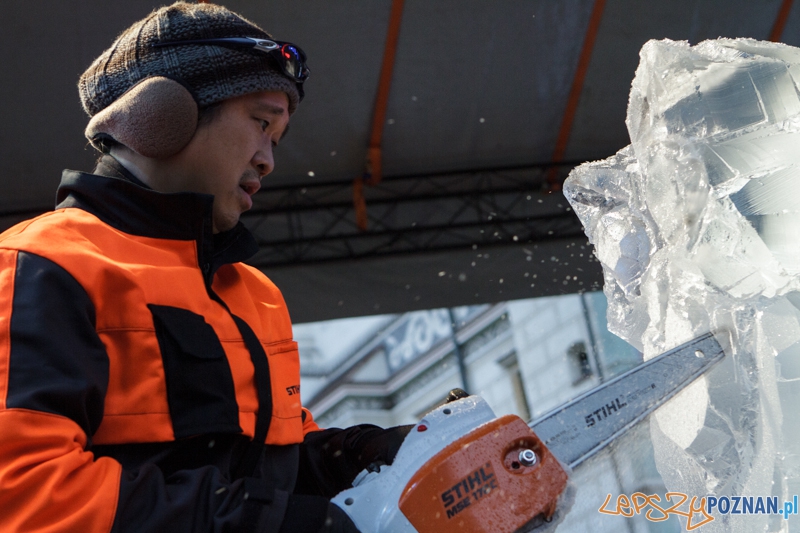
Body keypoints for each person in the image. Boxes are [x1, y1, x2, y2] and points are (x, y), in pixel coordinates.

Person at [0, 3, 410, 531]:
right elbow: (24, 493)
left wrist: (358, 454)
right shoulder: (40, 266)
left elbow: (268, 470)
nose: (268, 159)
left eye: (276, 138)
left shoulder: (252, 292)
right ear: (160, 115)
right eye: (261, 123)